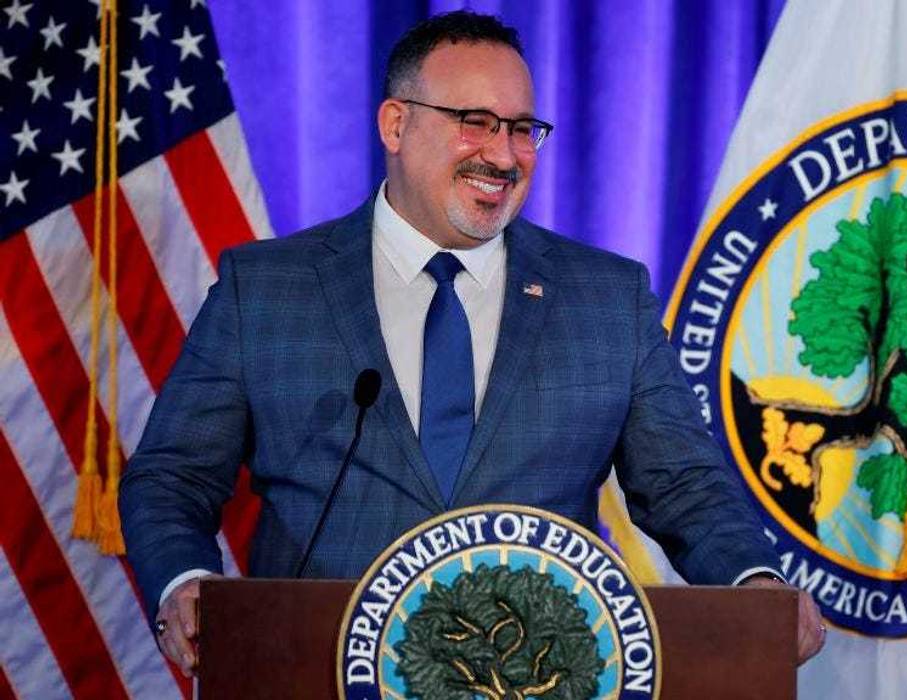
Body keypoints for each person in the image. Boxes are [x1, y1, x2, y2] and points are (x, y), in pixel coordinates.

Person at [119, 10, 824, 678]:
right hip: (314, 667)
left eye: (522, 129)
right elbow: (172, 477)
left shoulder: (608, 299)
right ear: (395, 124)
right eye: (475, 123)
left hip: (538, 674)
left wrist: (754, 583)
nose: (504, 155)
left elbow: (684, 488)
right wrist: (184, 581)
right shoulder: (267, 290)